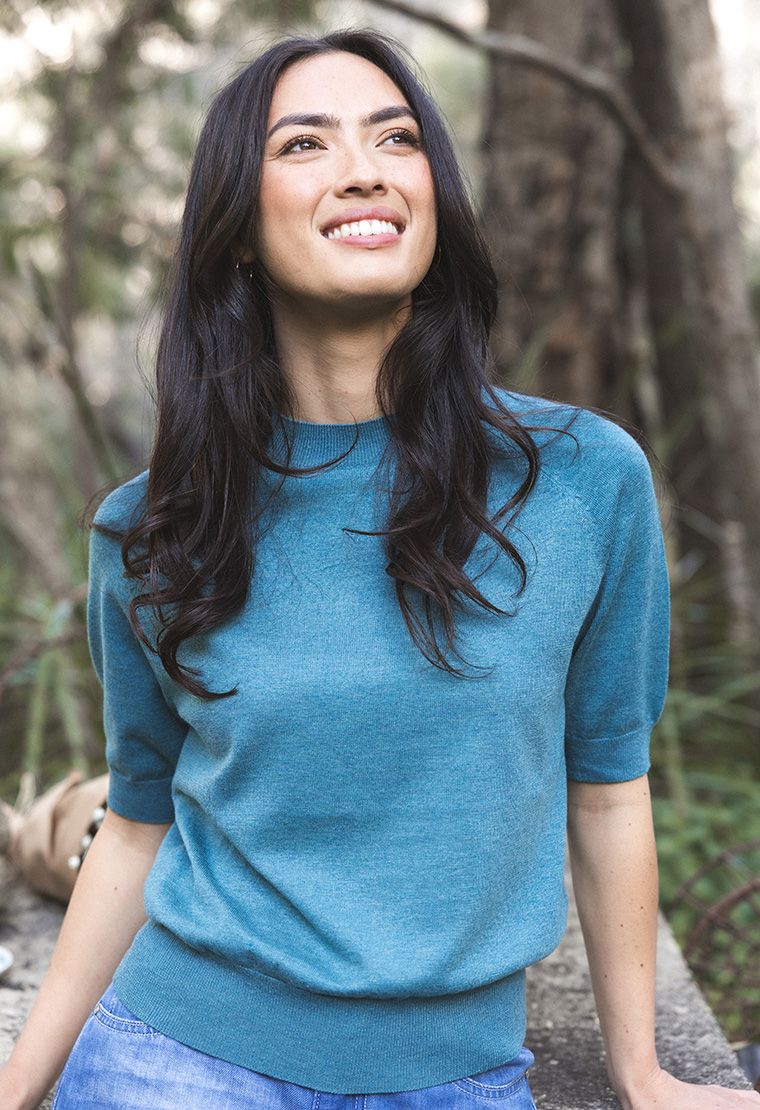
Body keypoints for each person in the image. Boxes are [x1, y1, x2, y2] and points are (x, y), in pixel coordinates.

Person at [2, 25, 758, 1110]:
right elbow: (138, 819)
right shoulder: (153, 527)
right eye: (304, 144)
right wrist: (18, 1082)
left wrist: (640, 1071)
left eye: (396, 138)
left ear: (432, 198)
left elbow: (606, 789)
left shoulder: (585, 482)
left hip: (457, 1079)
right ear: (239, 232)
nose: (364, 167)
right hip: (173, 1063)